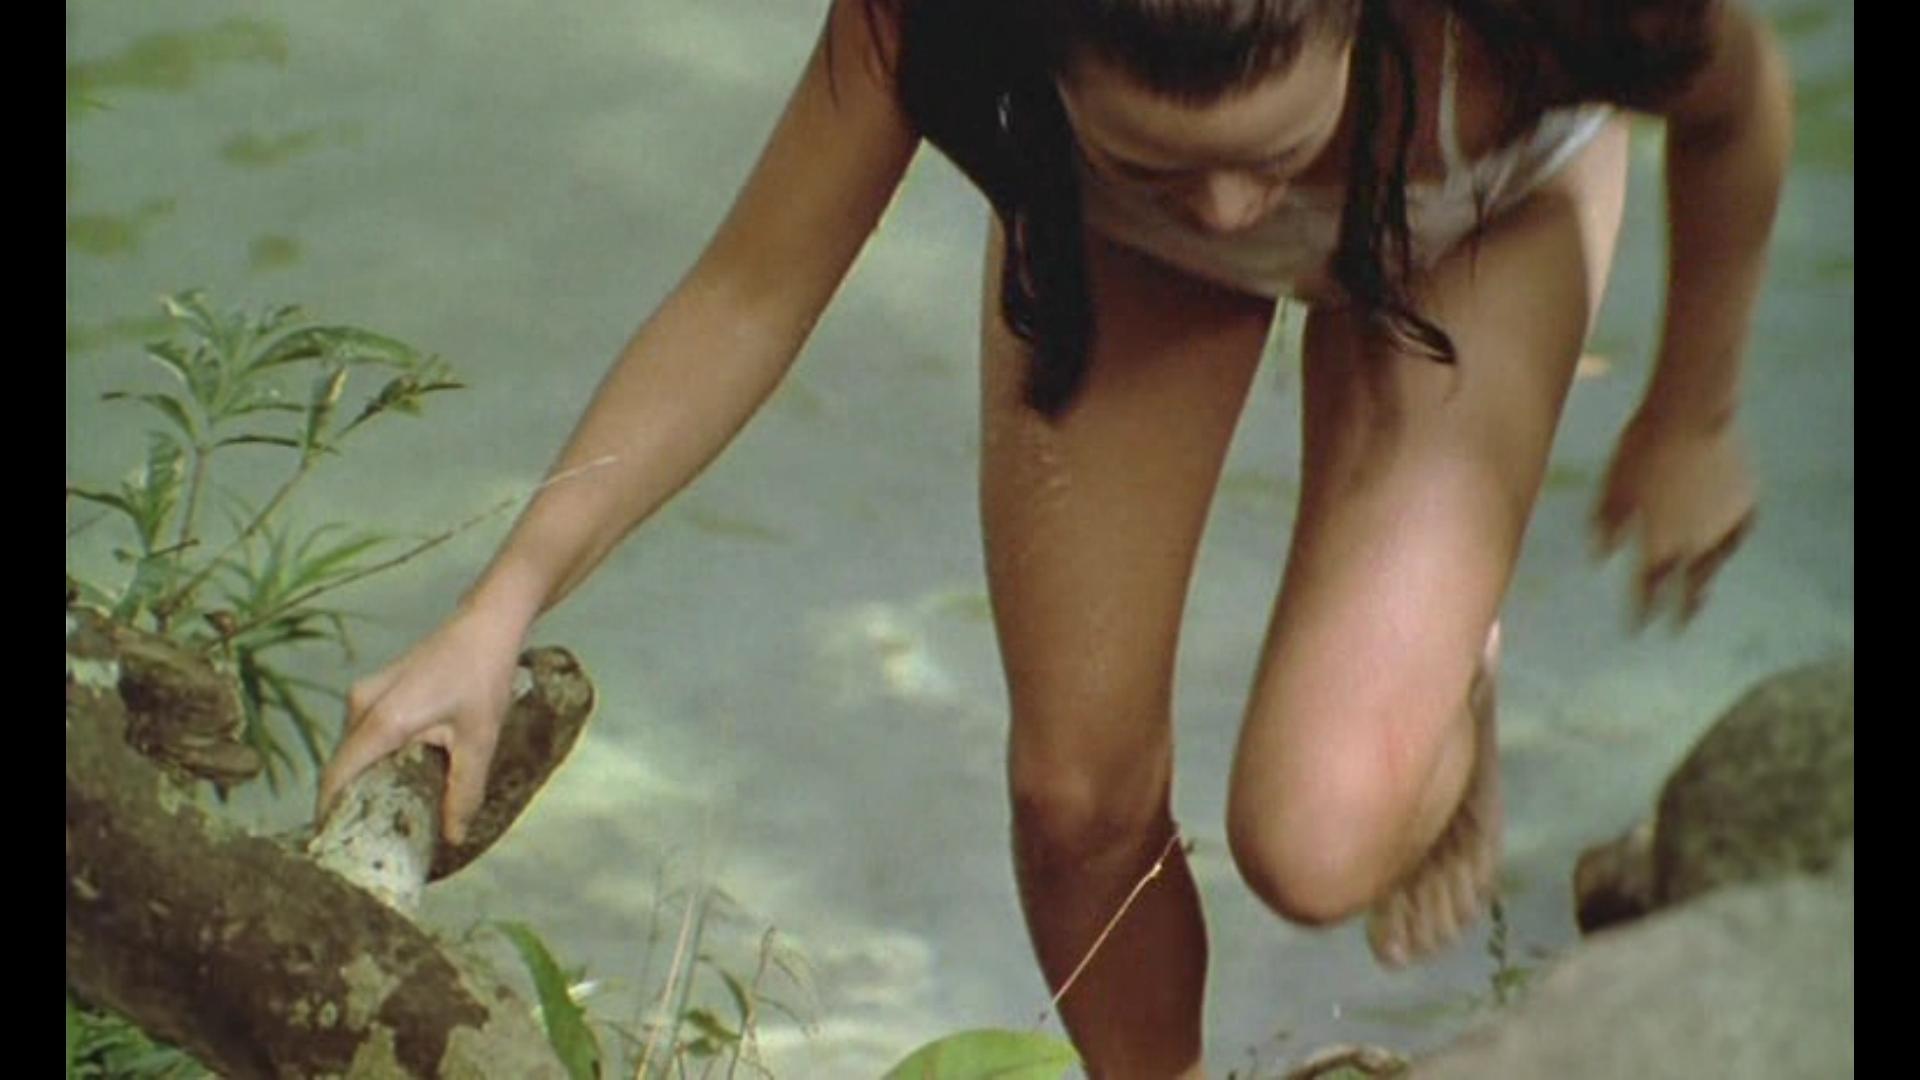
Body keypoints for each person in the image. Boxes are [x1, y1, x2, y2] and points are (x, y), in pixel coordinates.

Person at [318, 0, 1790, 1074]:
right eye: (1170, 157)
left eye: (1270, 150)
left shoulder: (1561, 14)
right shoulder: (944, 20)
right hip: (1121, 245)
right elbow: (745, 296)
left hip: (1473, 211)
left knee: (1317, 840)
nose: (1236, 206)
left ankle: (1450, 662)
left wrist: (1694, 412)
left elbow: (1740, 105)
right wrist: (497, 609)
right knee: (1075, 797)